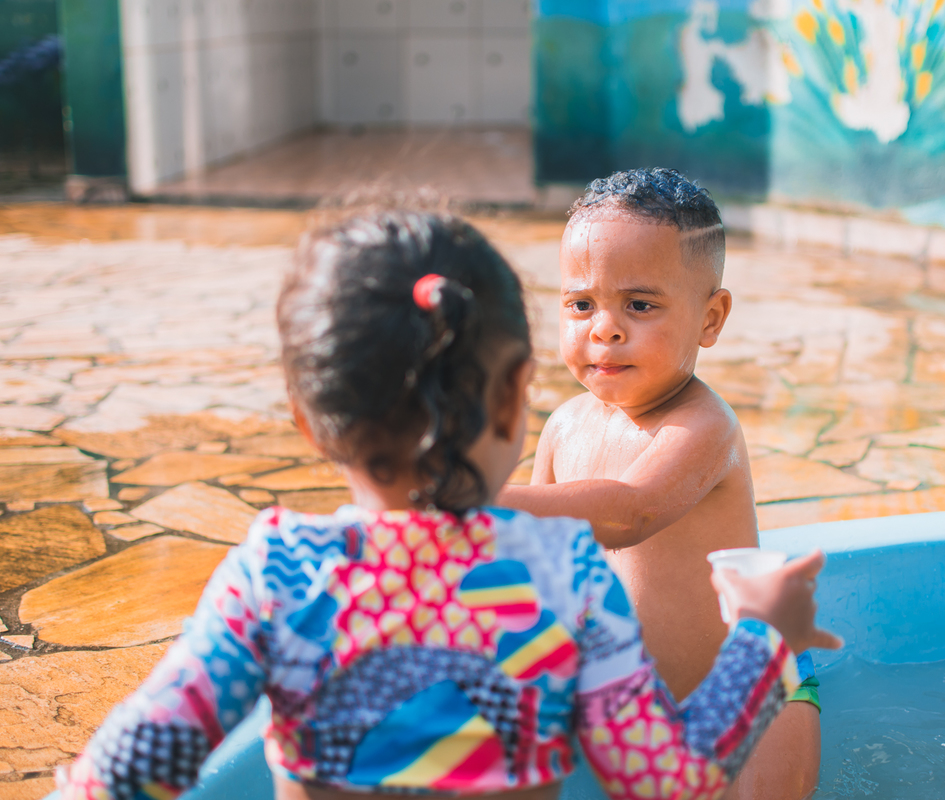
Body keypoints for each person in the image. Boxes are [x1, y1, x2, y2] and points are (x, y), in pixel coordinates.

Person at [56, 212, 840, 800]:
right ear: (513, 402)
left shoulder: (273, 576)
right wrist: (760, 636)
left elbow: (130, 767)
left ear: (309, 421)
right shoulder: (562, 578)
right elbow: (671, 778)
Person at [498, 169, 826, 800]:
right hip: (635, 718)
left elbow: (631, 511)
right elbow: (534, 559)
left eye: (640, 305)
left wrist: (475, 498)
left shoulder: (703, 426)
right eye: (581, 304)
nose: (605, 328)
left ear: (711, 318)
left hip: (753, 692)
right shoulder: (564, 428)